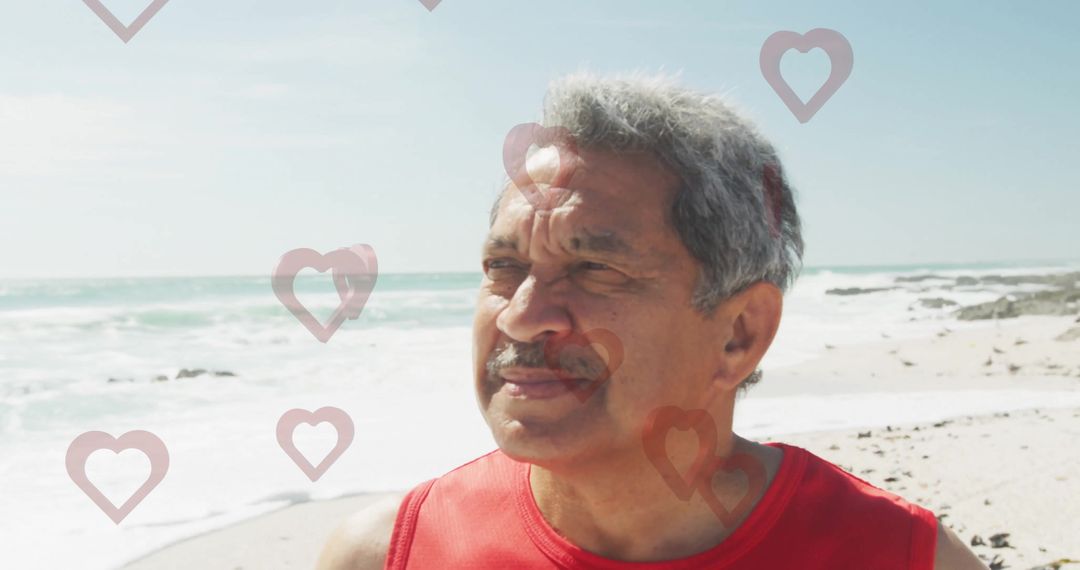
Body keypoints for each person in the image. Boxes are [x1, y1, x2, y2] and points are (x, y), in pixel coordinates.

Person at [317, 73, 987, 569]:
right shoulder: (385, 556)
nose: (522, 318)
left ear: (739, 334)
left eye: (593, 270)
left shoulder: (901, 557)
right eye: (504, 266)